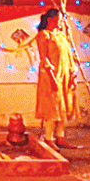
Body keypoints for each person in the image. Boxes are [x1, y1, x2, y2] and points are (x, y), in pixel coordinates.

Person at [36, 8, 77, 148]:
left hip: (64, 77)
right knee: (52, 109)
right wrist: (53, 79)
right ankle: (49, 139)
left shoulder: (61, 36)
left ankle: (60, 138)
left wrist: (73, 74)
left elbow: (69, 57)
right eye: (59, 20)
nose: (61, 23)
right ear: (50, 20)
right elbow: (44, 59)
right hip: (50, 77)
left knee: (63, 108)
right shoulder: (44, 35)